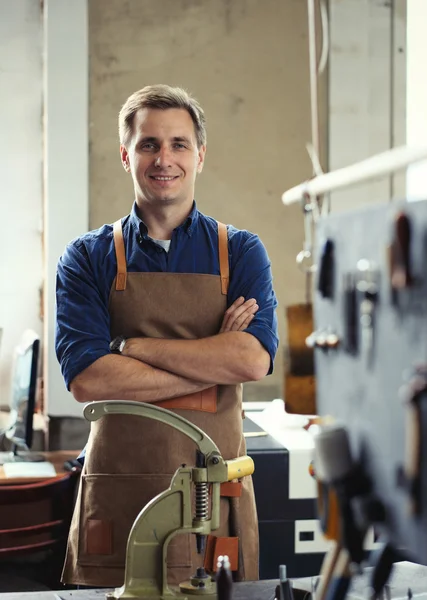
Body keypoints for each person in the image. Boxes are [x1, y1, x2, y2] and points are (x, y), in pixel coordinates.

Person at [55, 84, 279, 588]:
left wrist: (130, 347)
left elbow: (249, 362)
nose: (164, 159)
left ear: (199, 154)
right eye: (148, 144)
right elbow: (89, 382)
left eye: (178, 144)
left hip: (212, 495)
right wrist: (208, 368)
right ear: (125, 155)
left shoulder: (241, 252)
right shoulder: (87, 258)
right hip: (118, 492)